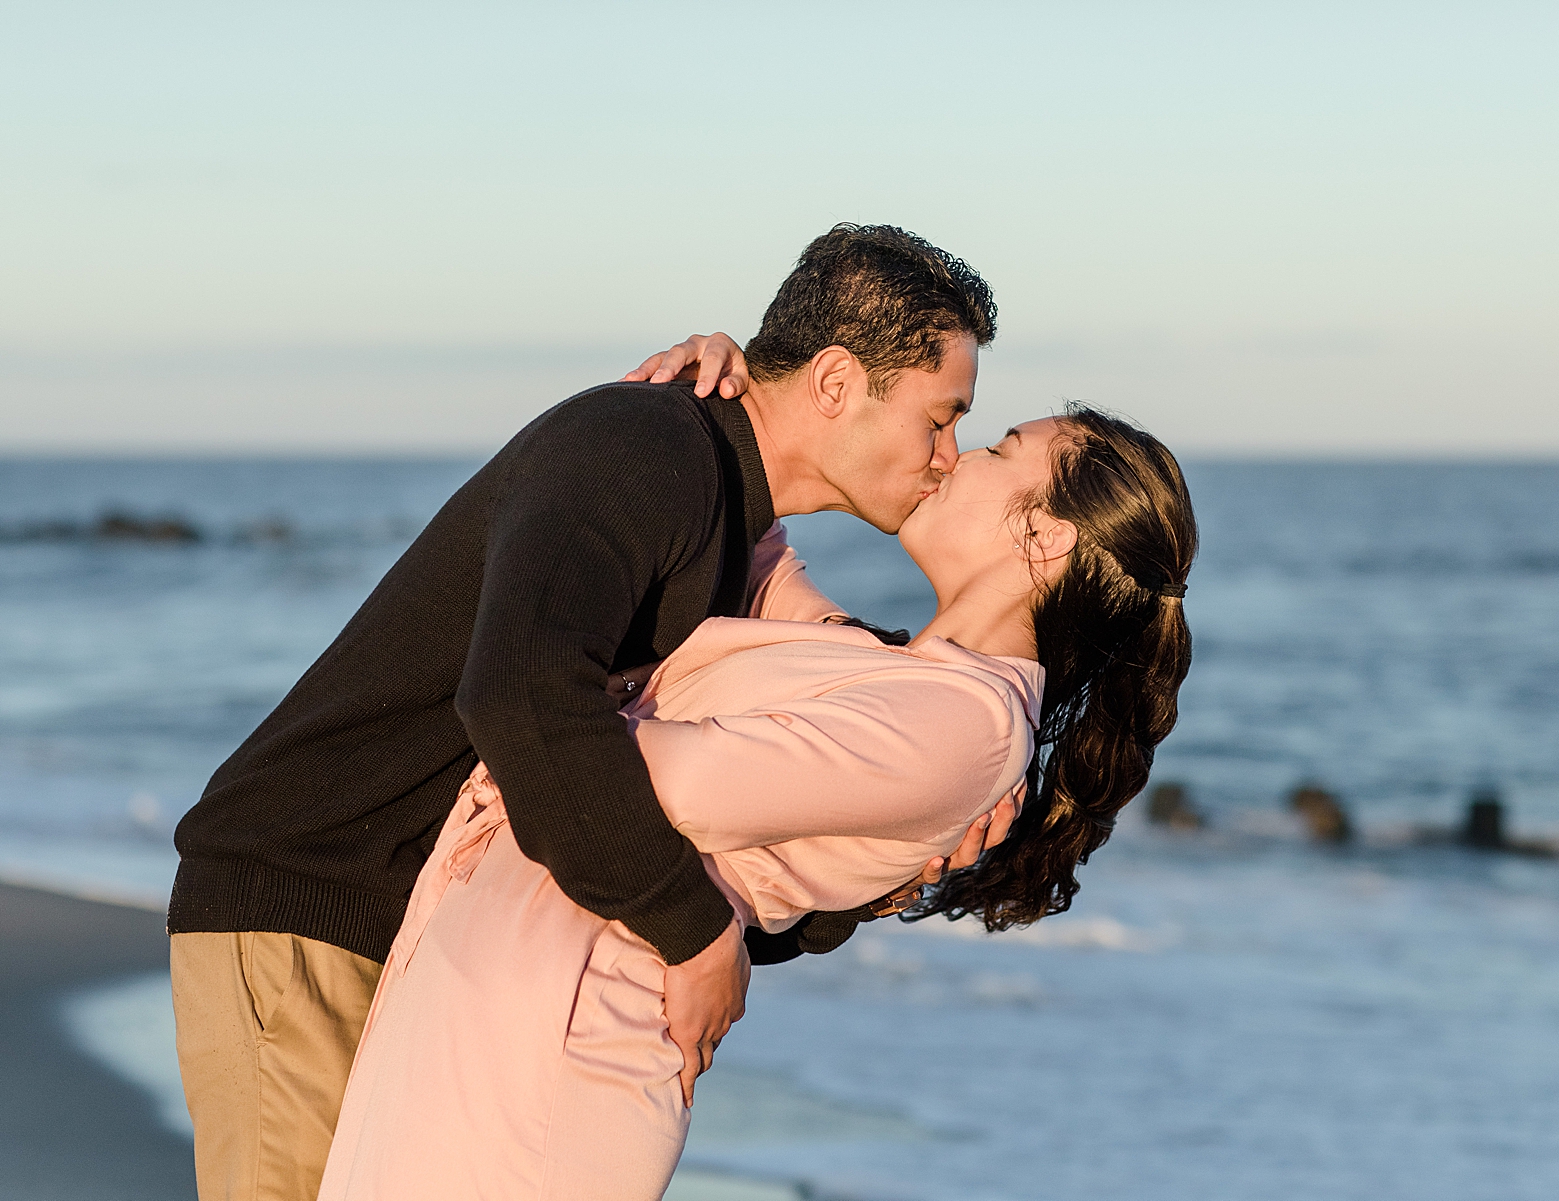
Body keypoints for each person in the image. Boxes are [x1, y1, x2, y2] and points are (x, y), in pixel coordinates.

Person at [166, 223, 1007, 1201]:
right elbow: (520, 699)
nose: (949, 456)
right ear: (832, 383)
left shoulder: (735, 535)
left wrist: (883, 865)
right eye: (939, 419)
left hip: (417, 933)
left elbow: (682, 817)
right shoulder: (646, 444)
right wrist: (694, 937)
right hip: (310, 901)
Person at [317, 403, 1197, 1199]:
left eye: (1000, 449)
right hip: (504, 988)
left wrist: (554, 703)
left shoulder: (971, 724)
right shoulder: (907, 673)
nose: (955, 456)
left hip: (562, 1030)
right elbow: (763, 553)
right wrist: (713, 396)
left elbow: (668, 783)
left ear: (1047, 538)